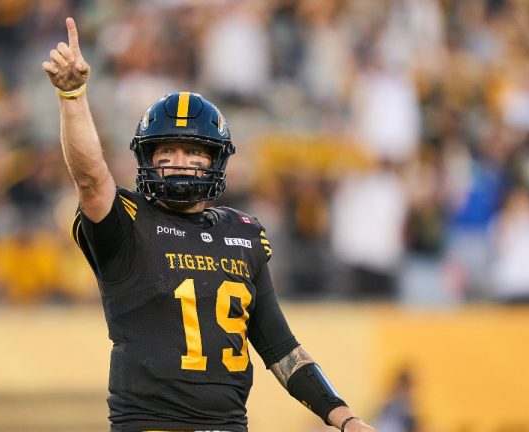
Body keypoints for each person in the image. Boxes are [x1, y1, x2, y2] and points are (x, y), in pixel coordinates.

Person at [42, 17, 376, 432]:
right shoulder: (128, 223)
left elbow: (281, 349)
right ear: (147, 158)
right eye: (166, 150)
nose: (179, 161)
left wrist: (344, 417)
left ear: (215, 161)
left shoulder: (243, 233)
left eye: (192, 151)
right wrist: (72, 95)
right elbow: (91, 178)